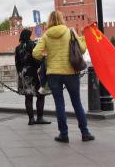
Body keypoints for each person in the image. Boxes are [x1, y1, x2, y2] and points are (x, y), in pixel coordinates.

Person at [33, 11, 94, 143]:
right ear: (62, 19)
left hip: (53, 74)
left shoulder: (46, 36)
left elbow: (36, 53)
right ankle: (85, 133)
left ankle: (64, 134)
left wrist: (47, 55)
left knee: (59, 104)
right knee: (77, 103)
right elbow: (82, 49)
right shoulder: (70, 32)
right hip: (71, 72)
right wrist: (81, 37)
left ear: (50, 21)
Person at [15, 28, 51, 125]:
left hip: (23, 74)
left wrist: (20, 73)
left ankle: (31, 119)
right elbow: (37, 59)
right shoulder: (33, 45)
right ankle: (40, 118)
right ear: (28, 36)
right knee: (41, 95)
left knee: (28, 97)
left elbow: (17, 63)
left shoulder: (18, 48)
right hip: (34, 73)